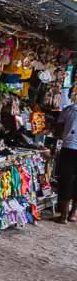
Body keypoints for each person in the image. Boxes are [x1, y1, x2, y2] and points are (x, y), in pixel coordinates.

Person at [54, 92, 77, 222]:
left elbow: (58, 129)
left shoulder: (69, 110)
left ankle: (63, 216)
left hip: (69, 148)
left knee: (65, 180)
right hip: (69, 147)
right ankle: (73, 214)